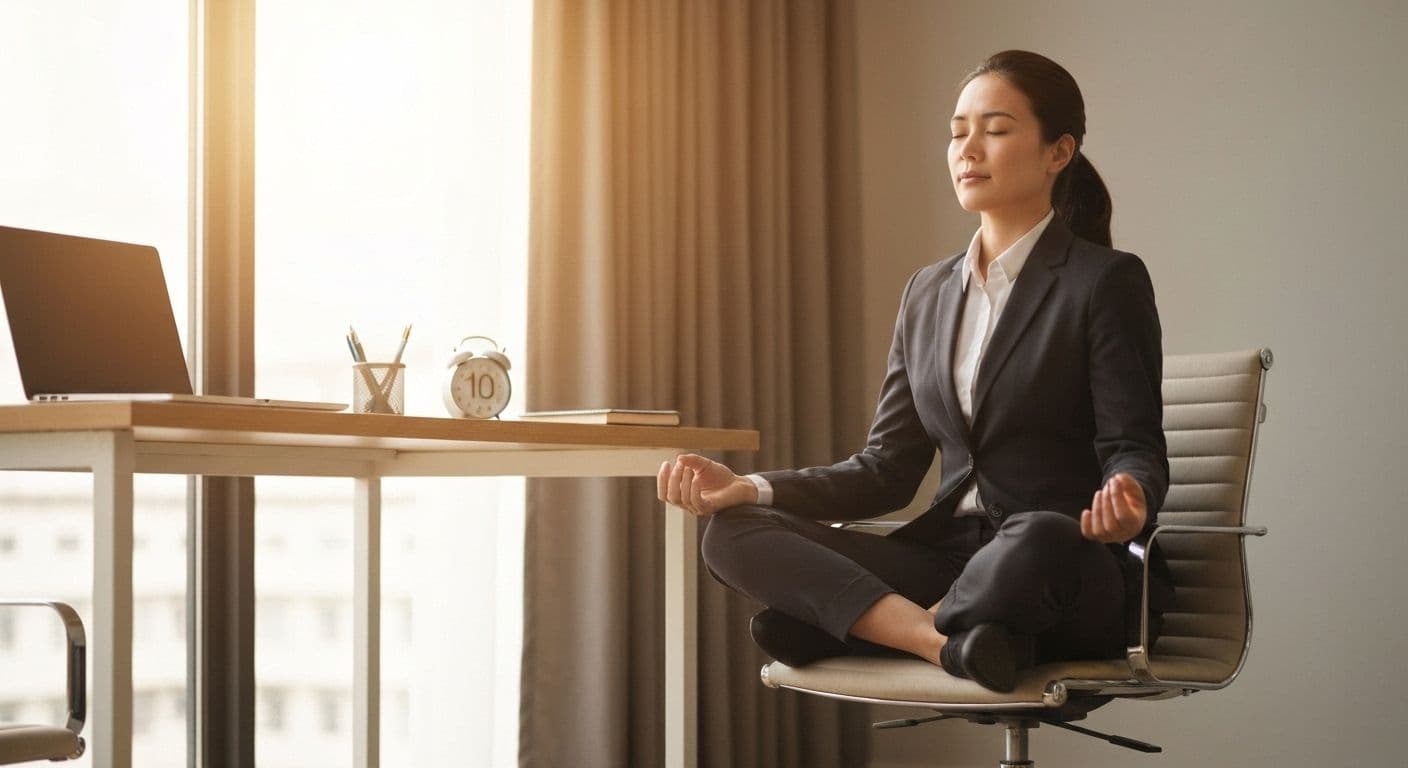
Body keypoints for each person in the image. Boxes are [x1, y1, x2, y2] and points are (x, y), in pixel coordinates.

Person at [656, 50, 1170, 693]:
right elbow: (886, 470)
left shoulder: (1105, 281)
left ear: (1058, 152)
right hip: (949, 563)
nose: (968, 149)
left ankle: (859, 625)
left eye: (997, 129)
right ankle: (941, 641)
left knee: (1040, 534)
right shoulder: (926, 293)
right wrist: (750, 487)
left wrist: (1131, 500)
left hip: (1062, 567)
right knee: (730, 533)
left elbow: (1135, 447)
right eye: (958, 133)